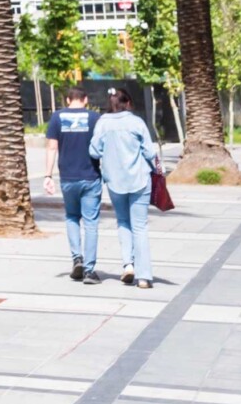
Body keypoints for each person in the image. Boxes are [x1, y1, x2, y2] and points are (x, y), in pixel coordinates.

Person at [89, 87, 159, 288]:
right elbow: (149, 152)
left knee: (122, 221)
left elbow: (94, 151)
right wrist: (157, 170)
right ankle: (144, 276)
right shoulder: (136, 122)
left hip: (115, 181)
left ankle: (128, 264)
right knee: (140, 226)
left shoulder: (103, 123)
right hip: (139, 180)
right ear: (128, 103)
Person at [41, 83, 101, 282]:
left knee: (72, 217)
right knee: (91, 223)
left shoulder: (57, 117)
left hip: (68, 177)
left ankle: (77, 258)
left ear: (68, 100)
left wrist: (48, 176)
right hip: (91, 176)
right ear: (86, 100)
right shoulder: (95, 118)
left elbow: (52, 147)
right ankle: (89, 270)